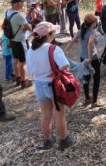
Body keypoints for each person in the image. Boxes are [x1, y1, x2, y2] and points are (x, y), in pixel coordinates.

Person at [26, 22, 73, 151]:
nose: (54, 34)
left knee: (46, 114)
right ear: (48, 35)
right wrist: (55, 71)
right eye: (53, 32)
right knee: (59, 114)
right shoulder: (53, 49)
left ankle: (48, 140)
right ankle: (64, 140)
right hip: (52, 85)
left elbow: (29, 72)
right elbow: (65, 65)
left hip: (39, 85)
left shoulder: (31, 49)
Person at [65, 14, 101, 108]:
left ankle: (87, 98)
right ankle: (94, 102)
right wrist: (89, 57)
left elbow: (72, 41)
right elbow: (90, 44)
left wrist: (66, 51)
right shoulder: (93, 32)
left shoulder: (80, 31)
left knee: (86, 79)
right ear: (93, 23)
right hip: (92, 59)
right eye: (95, 22)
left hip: (82, 58)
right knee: (96, 79)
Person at [6, 0, 33, 89]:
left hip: (12, 40)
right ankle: (24, 81)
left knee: (15, 60)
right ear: (17, 3)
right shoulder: (18, 16)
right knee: (23, 62)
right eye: (22, 2)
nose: (23, 4)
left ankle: (18, 78)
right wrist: (25, 28)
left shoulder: (8, 12)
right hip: (21, 41)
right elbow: (29, 27)